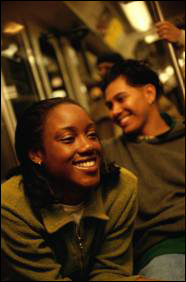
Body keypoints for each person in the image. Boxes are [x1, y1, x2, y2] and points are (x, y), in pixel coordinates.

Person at [2, 97, 155, 281]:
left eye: (92, 135)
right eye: (68, 139)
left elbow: (111, 270)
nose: (88, 146)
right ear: (37, 154)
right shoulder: (11, 207)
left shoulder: (120, 187)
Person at [101, 60, 185, 281]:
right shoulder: (110, 153)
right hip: (164, 247)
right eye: (110, 105)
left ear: (149, 93)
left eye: (120, 99)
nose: (115, 112)